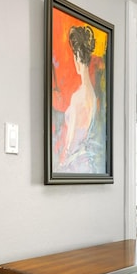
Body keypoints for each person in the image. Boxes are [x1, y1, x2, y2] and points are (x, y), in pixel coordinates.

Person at [58, 25, 100, 172]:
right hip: (86, 162)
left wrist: (62, 163)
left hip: (75, 163)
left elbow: (70, 140)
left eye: (74, 56)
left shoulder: (78, 97)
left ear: (77, 57)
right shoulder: (92, 96)